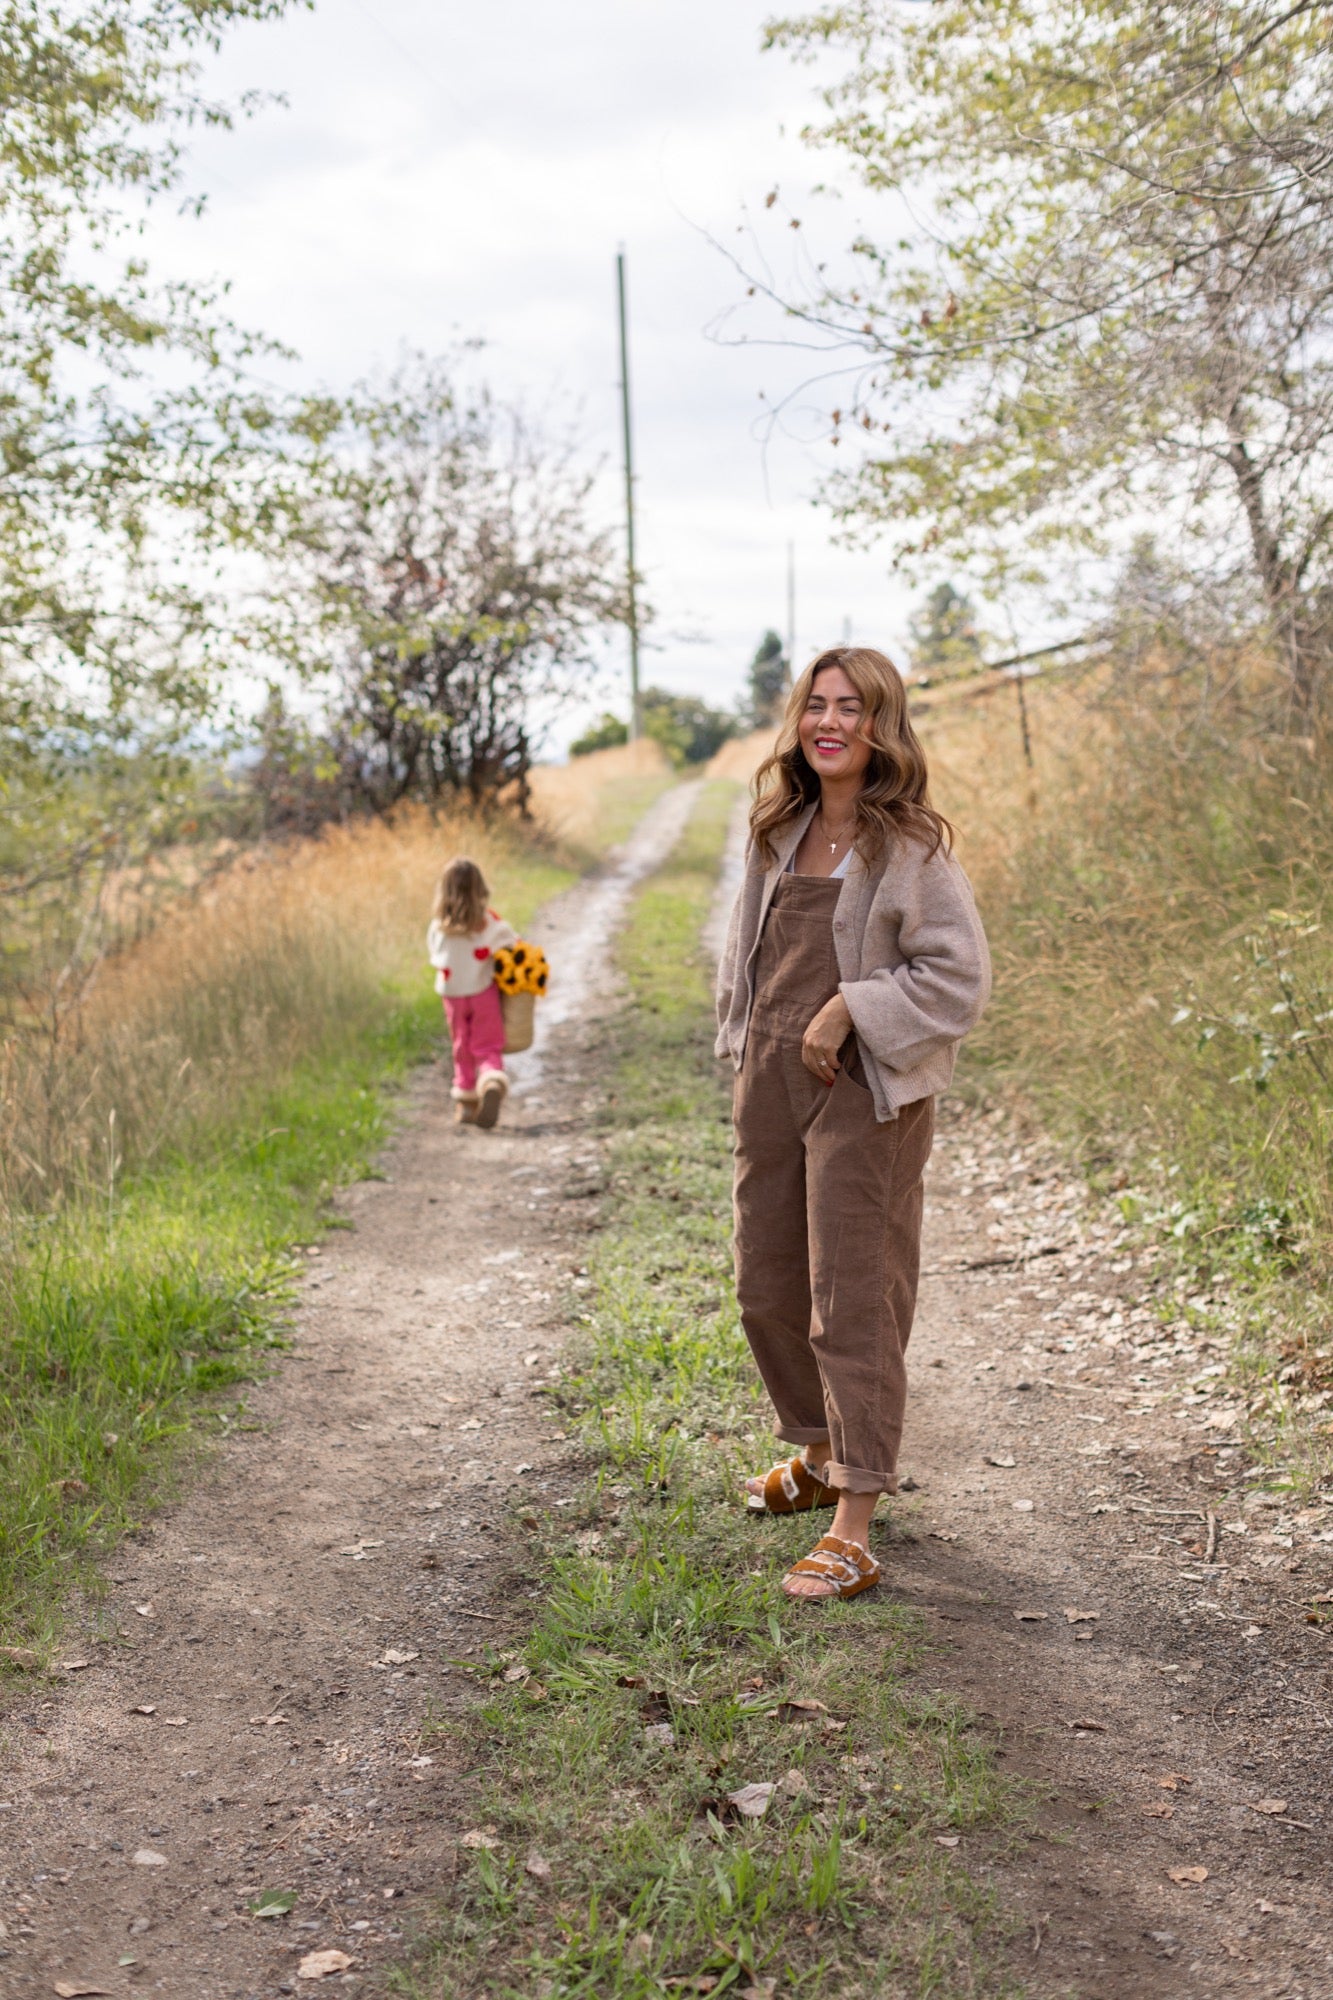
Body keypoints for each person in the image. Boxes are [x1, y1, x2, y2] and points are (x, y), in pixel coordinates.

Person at [716, 647, 991, 1601]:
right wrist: (740, 1041)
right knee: (767, 1283)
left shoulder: (909, 847)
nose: (830, 723)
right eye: (816, 706)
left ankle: (854, 1521)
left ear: (883, 728)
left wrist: (853, 1007)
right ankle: (821, 1453)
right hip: (770, 1078)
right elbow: (744, 953)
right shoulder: (776, 828)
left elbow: (958, 979)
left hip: (862, 1091)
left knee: (853, 1296)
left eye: (853, 708)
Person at [427, 857, 516, 1129]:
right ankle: (490, 1080)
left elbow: (436, 955)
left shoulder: (439, 926)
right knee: (487, 1043)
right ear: (480, 889)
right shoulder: (488, 923)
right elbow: (512, 944)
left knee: (461, 1045)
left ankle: (466, 1103)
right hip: (482, 992)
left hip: (452, 995)